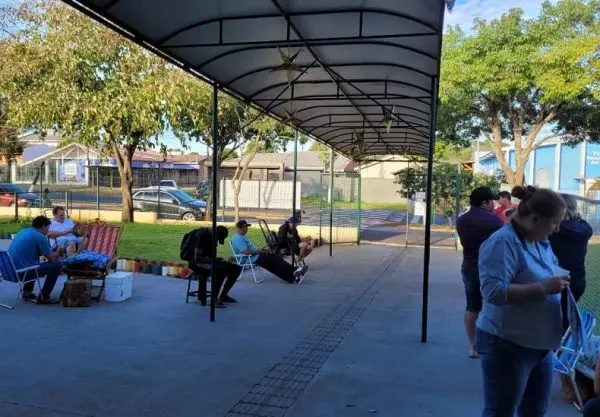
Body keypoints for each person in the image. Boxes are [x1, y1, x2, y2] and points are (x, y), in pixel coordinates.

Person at [476, 185, 569, 417]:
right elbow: (493, 292)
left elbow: (545, 270)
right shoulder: (502, 242)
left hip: (539, 346)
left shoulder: (539, 240)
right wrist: (541, 288)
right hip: (508, 344)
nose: (557, 229)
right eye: (555, 222)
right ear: (534, 218)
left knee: (535, 410)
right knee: (501, 412)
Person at [548, 193, 593, 402]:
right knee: (565, 329)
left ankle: (567, 383)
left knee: (557, 331)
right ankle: (569, 381)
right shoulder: (584, 228)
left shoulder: (556, 231)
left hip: (559, 282)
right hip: (577, 282)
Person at [456, 187, 504, 358]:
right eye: (492, 201)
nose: (493, 205)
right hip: (490, 266)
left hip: (468, 264)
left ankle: (473, 346)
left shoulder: (462, 220)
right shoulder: (495, 221)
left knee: (472, 305)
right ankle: (490, 344)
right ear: (485, 203)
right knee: (492, 305)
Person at [231, 220, 307, 284]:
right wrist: (259, 251)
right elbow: (246, 252)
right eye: (244, 228)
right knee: (273, 262)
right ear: (239, 228)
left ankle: (294, 271)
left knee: (275, 258)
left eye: (247, 227)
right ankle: (293, 275)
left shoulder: (242, 236)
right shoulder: (238, 238)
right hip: (249, 258)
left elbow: (250, 250)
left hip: (254, 256)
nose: (246, 229)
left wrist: (261, 250)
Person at [9, 216, 63, 304]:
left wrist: (49, 252)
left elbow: (30, 250)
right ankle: (44, 297)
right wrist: (58, 252)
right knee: (56, 265)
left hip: (10, 272)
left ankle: (27, 292)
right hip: (22, 273)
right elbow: (52, 259)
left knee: (32, 262)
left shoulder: (23, 231)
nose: (48, 230)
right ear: (43, 226)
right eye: (48, 228)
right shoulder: (39, 236)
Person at [187, 225, 241, 308]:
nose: (217, 241)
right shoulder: (203, 237)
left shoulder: (213, 236)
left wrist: (218, 259)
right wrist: (212, 260)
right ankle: (214, 299)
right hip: (196, 263)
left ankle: (223, 295)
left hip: (208, 261)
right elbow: (197, 258)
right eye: (218, 239)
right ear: (216, 234)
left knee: (235, 268)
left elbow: (210, 255)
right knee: (220, 270)